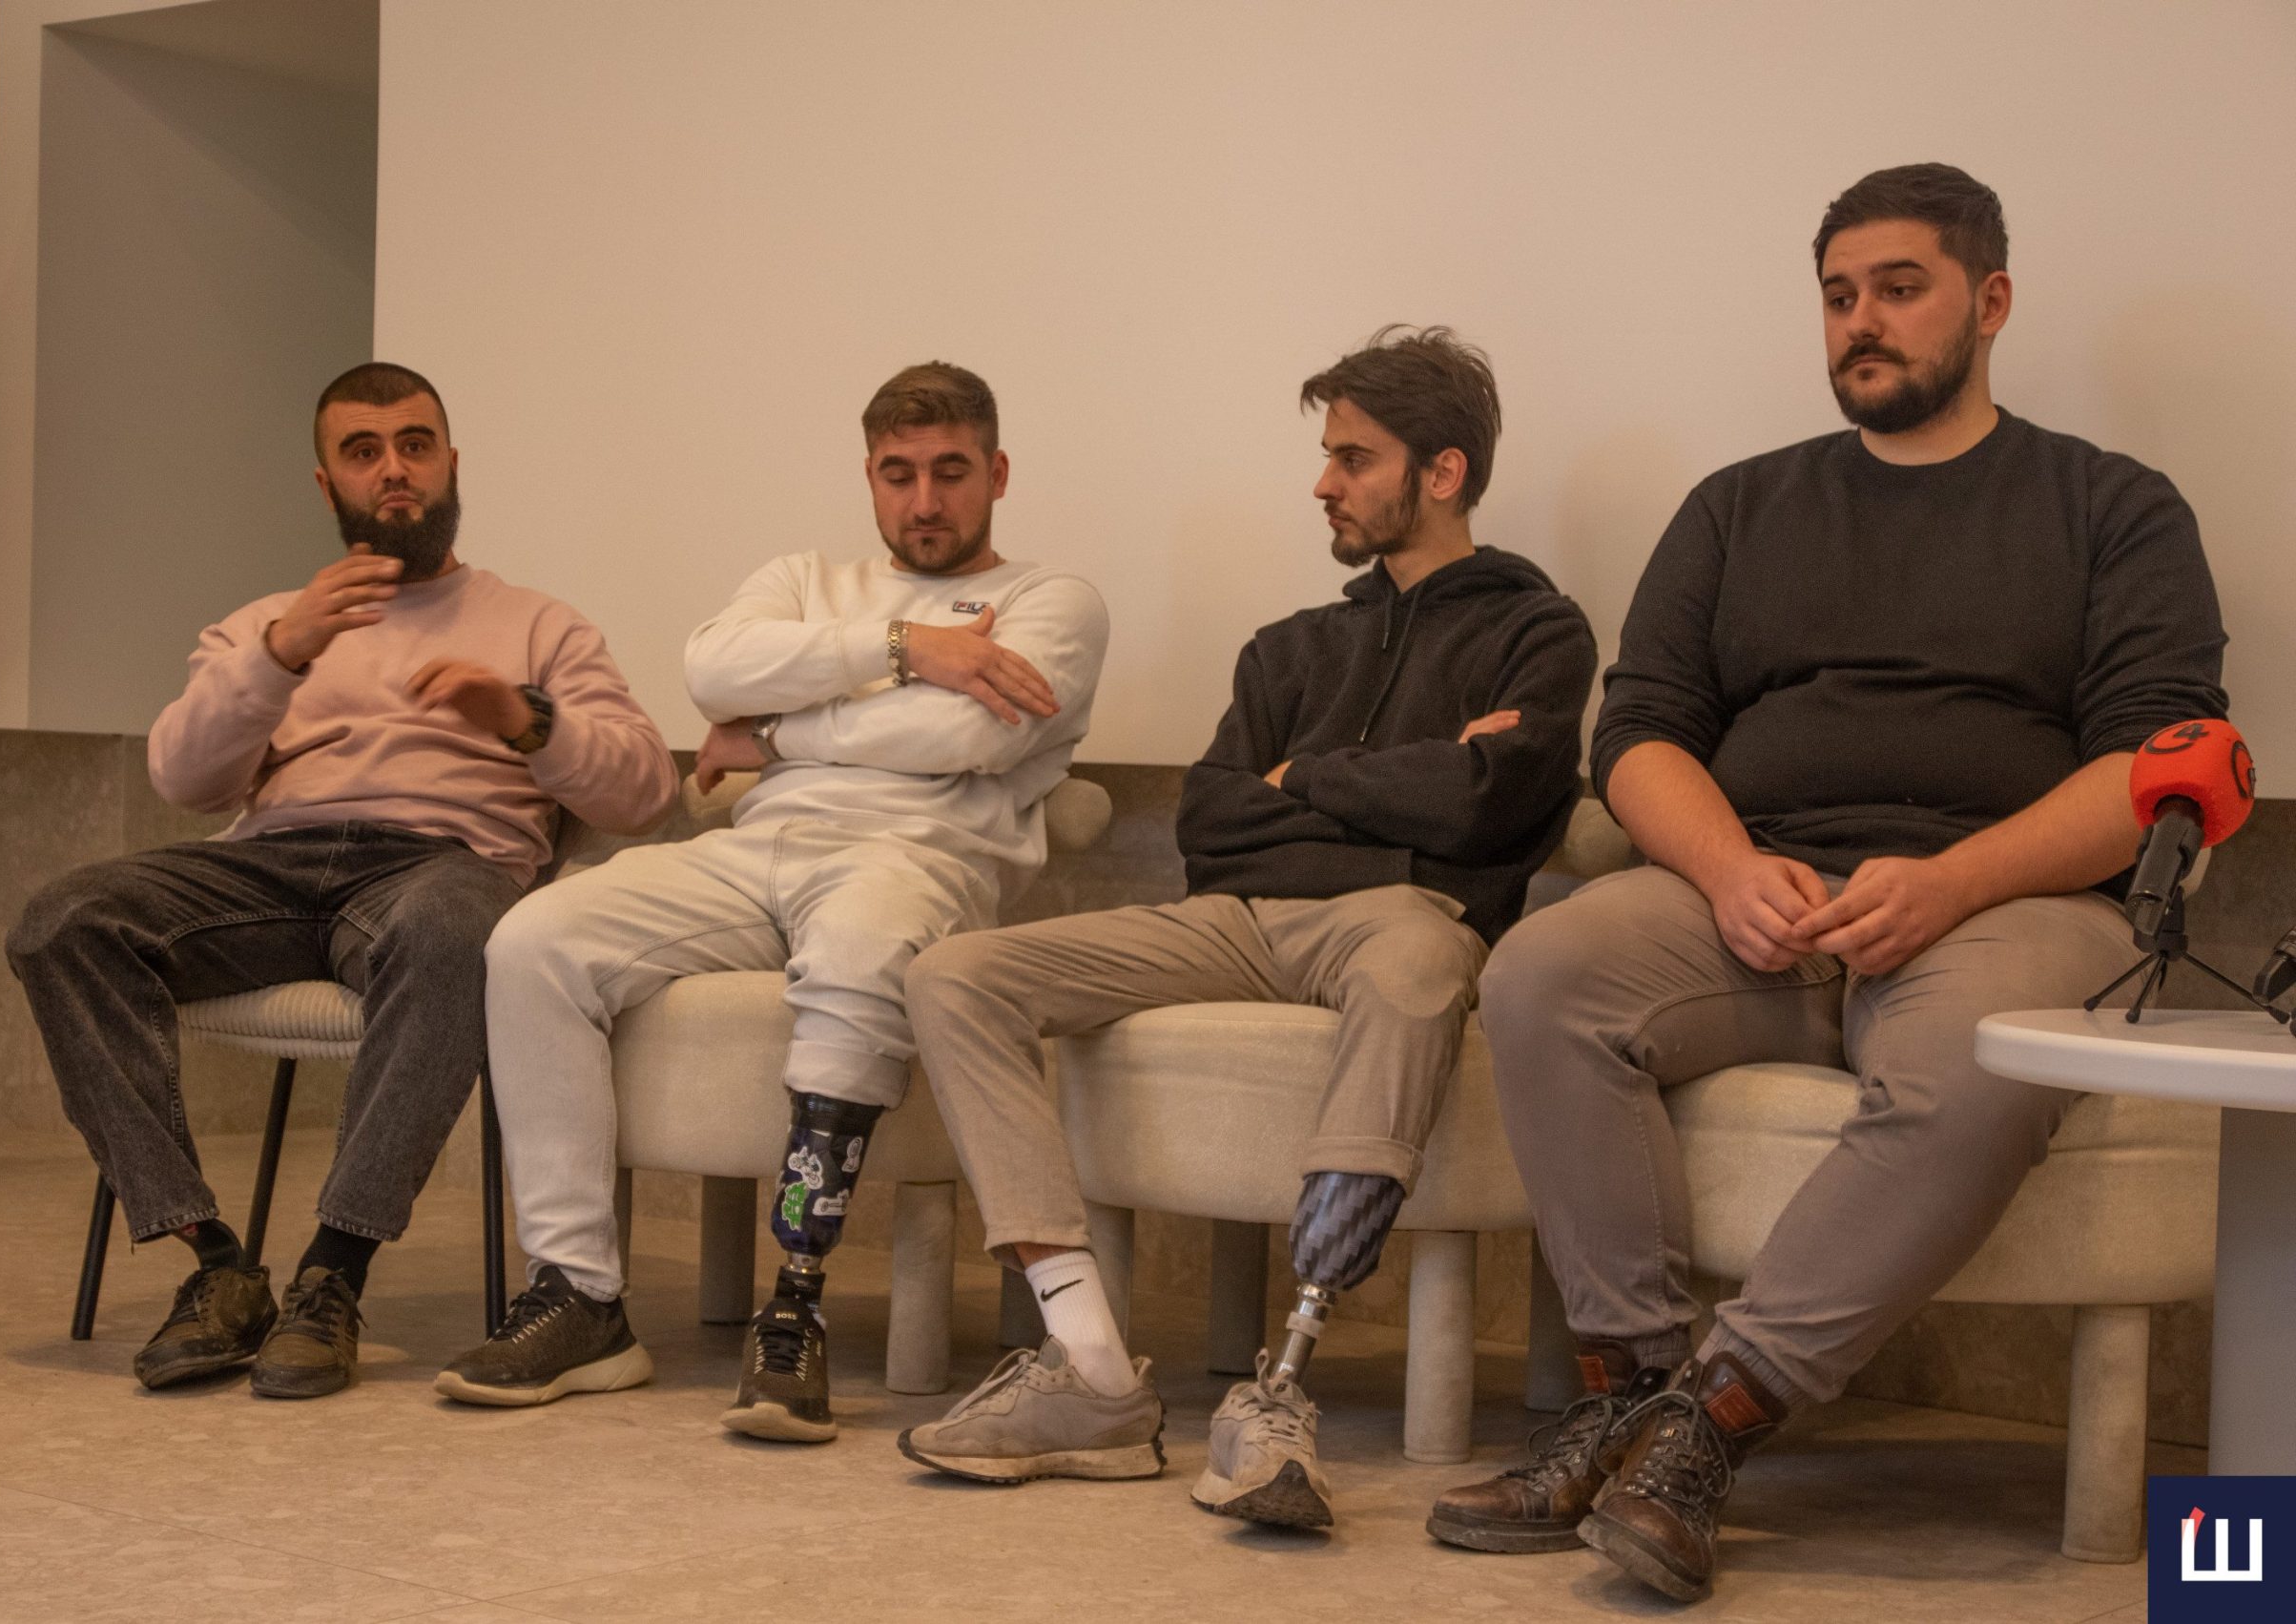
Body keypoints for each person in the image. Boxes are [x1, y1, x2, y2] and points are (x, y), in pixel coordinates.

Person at [1429, 164, 2228, 1602]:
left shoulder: (2110, 504)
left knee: (1982, 1050)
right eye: (1839, 294)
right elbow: (1640, 734)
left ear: (1990, 300)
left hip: (2004, 903)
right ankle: (1628, 1388)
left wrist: (1950, 882)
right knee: (1543, 971)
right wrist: (1730, 870)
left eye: (1900, 288)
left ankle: (1711, 1422)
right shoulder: (1740, 505)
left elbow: (2154, 758)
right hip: (1760, 898)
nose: (1862, 320)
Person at [895, 326, 1596, 1530]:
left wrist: (1300, 779)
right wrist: (1399, 785)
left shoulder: (1538, 632)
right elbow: (1209, 822)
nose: (1323, 483)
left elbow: (1490, 807)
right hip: (1232, 919)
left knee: (1422, 962)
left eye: (1353, 459)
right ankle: (1090, 1369)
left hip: (1403, 920)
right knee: (957, 972)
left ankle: (1281, 1389)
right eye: (1327, 456)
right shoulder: (1288, 647)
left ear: (1442, 472)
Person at [439, 363, 1111, 1441]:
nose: (924, 501)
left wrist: (779, 733)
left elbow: (967, 737)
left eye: (950, 472)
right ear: (869, 475)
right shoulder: (805, 578)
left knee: (858, 954)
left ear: (997, 473)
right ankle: (578, 1297)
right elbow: (713, 671)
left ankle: (795, 1304)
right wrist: (906, 648)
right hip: (755, 851)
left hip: (912, 861)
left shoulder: (1053, 601)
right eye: (898, 474)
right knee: (533, 939)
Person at [7, 363, 676, 1399]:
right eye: (364, 453)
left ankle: (333, 1273)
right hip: (268, 866)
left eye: (414, 445)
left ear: (451, 464)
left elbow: (644, 792)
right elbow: (183, 779)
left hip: (439, 868)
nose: (393, 470)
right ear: (328, 485)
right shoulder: (272, 621)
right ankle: (214, 1262)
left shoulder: (540, 625)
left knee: (461, 933)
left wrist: (523, 718)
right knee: (63, 923)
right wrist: (281, 654)